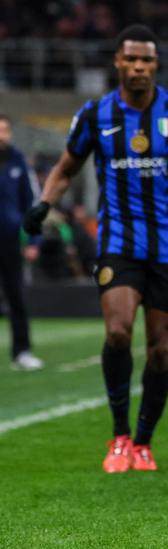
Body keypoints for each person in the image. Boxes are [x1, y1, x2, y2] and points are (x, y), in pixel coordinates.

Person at [22, 24, 168, 472]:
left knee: (161, 350)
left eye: (146, 60)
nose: (138, 67)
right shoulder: (96, 115)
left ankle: (144, 442)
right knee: (117, 332)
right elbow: (66, 168)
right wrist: (44, 203)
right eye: (131, 59)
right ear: (117, 62)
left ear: (156, 64)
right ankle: (119, 436)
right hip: (118, 243)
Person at [0, 115, 43, 370]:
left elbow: (32, 203)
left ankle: (22, 351)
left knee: (16, 295)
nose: (1, 135)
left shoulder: (19, 162)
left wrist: (34, 240)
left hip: (10, 239)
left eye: (4, 130)